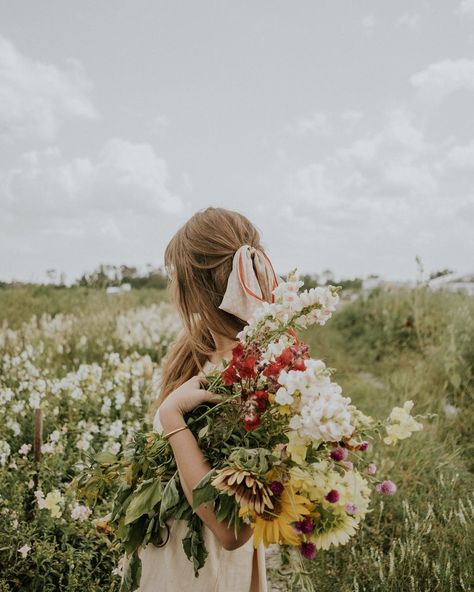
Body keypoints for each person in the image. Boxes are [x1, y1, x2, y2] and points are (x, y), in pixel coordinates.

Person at [136, 206, 281, 592]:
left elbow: (232, 529)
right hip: (165, 559)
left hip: (206, 574)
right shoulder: (194, 349)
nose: (174, 288)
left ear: (197, 283)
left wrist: (172, 417)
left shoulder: (258, 374)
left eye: (176, 275)